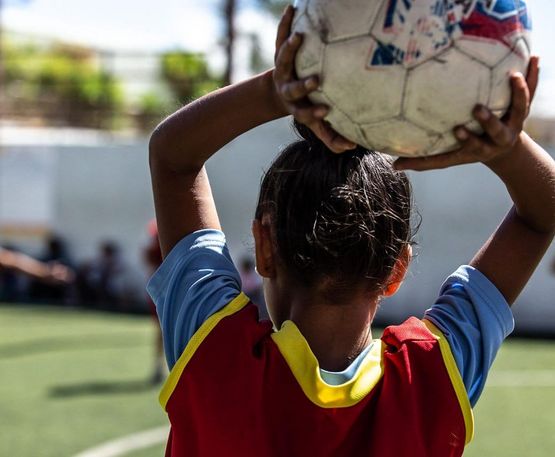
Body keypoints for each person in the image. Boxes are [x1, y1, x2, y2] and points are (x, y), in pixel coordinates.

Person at [147, 7, 554, 457]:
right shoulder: (433, 375)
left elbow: (172, 156)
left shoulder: (215, 352)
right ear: (396, 269)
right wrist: (502, 144)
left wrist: (274, 90)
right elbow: (542, 214)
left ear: (264, 246)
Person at [143, 219, 165, 384]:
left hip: (160, 290)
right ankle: (160, 367)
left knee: (161, 332)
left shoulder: (153, 248)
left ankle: (159, 367)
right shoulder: (157, 246)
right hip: (163, 290)